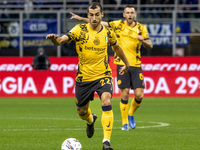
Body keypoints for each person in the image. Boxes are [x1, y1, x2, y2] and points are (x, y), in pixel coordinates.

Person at [46, 2, 129, 150]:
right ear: (88, 15)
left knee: (106, 101)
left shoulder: (108, 32)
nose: (94, 18)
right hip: (84, 77)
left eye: (97, 14)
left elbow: (117, 47)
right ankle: (91, 120)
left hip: (103, 74)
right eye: (91, 15)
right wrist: (54, 39)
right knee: (82, 112)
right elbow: (60, 41)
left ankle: (106, 142)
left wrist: (127, 63)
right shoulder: (79, 30)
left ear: (101, 15)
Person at [70, 5, 153, 131]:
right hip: (121, 63)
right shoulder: (117, 25)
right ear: (124, 15)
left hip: (136, 64)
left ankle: (130, 113)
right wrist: (81, 18)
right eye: (127, 12)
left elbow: (150, 45)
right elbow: (98, 22)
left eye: (132, 12)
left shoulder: (141, 28)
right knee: (124, 94)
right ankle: (125, 123)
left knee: (139, 95)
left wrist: (143, 40)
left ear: (135, 14)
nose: (130, 14)